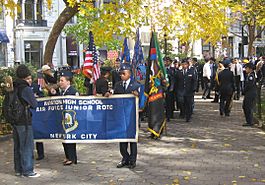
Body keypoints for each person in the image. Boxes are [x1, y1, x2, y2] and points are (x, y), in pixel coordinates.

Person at [13, 64, 39, 177]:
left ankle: (18, 169)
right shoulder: (26, 88)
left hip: (15, 120)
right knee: (27, 146)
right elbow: (34, 104)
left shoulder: (13, 87)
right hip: (24, 119)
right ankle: (28, 170)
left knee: (17, 146)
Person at [114, 63, 140, 169]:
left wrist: (137, 96)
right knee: (122, 139)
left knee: (132, 139)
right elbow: (114, 98)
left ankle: (132, 160)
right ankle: (125, 158)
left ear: (129, 73)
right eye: (120, 74)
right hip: (121, 116)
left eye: (123, 73)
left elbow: (142, 101)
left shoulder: (136, 85)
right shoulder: (118, 85)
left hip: (132, 117)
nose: (121, 75)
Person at [58, 71, 79, 165]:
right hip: (64, 119)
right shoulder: (63, 92)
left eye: (62, 80)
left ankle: (72, 157)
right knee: (65, 138)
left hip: (71, 119)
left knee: (70, 138)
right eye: (60, 80)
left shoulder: (73, 92)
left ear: (68, 82)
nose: (60, 82)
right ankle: (67, 156)